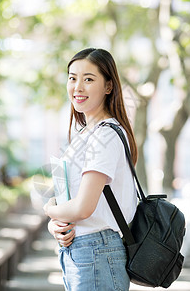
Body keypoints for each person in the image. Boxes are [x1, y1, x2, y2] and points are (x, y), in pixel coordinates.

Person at [43, 48, 138, 291]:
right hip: (86, 251)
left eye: (88, 79)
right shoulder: (87, 134)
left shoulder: (104, 135)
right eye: (72, 78)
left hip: (97, 252)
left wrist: (49, 210)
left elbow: (83, 207)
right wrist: (56, 225)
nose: (78, 87)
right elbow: (73, 201)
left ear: (108, 86)